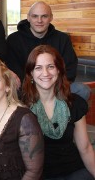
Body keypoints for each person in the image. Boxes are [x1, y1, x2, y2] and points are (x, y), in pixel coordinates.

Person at [22, 45, 95, 179]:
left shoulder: (74, 103)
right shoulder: (21, 107)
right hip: (40, 174)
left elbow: (85, 147)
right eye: (38, 67)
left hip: (73, 169)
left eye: (51, 66)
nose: (45, 73)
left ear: (59, 70)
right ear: (31, 73)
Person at [6, 1, 90, 101]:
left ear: (51, 18)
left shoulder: (62, 39)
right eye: (35, 16)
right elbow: (14, 70)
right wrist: (36, 87)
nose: (39, 20)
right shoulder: (14, 39)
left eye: (44, 16)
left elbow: (70, 69)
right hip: (27, 88)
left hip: (56, 88)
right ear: (28, 17)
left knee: (82, 90)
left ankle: (62, 114)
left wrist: (51, 86)